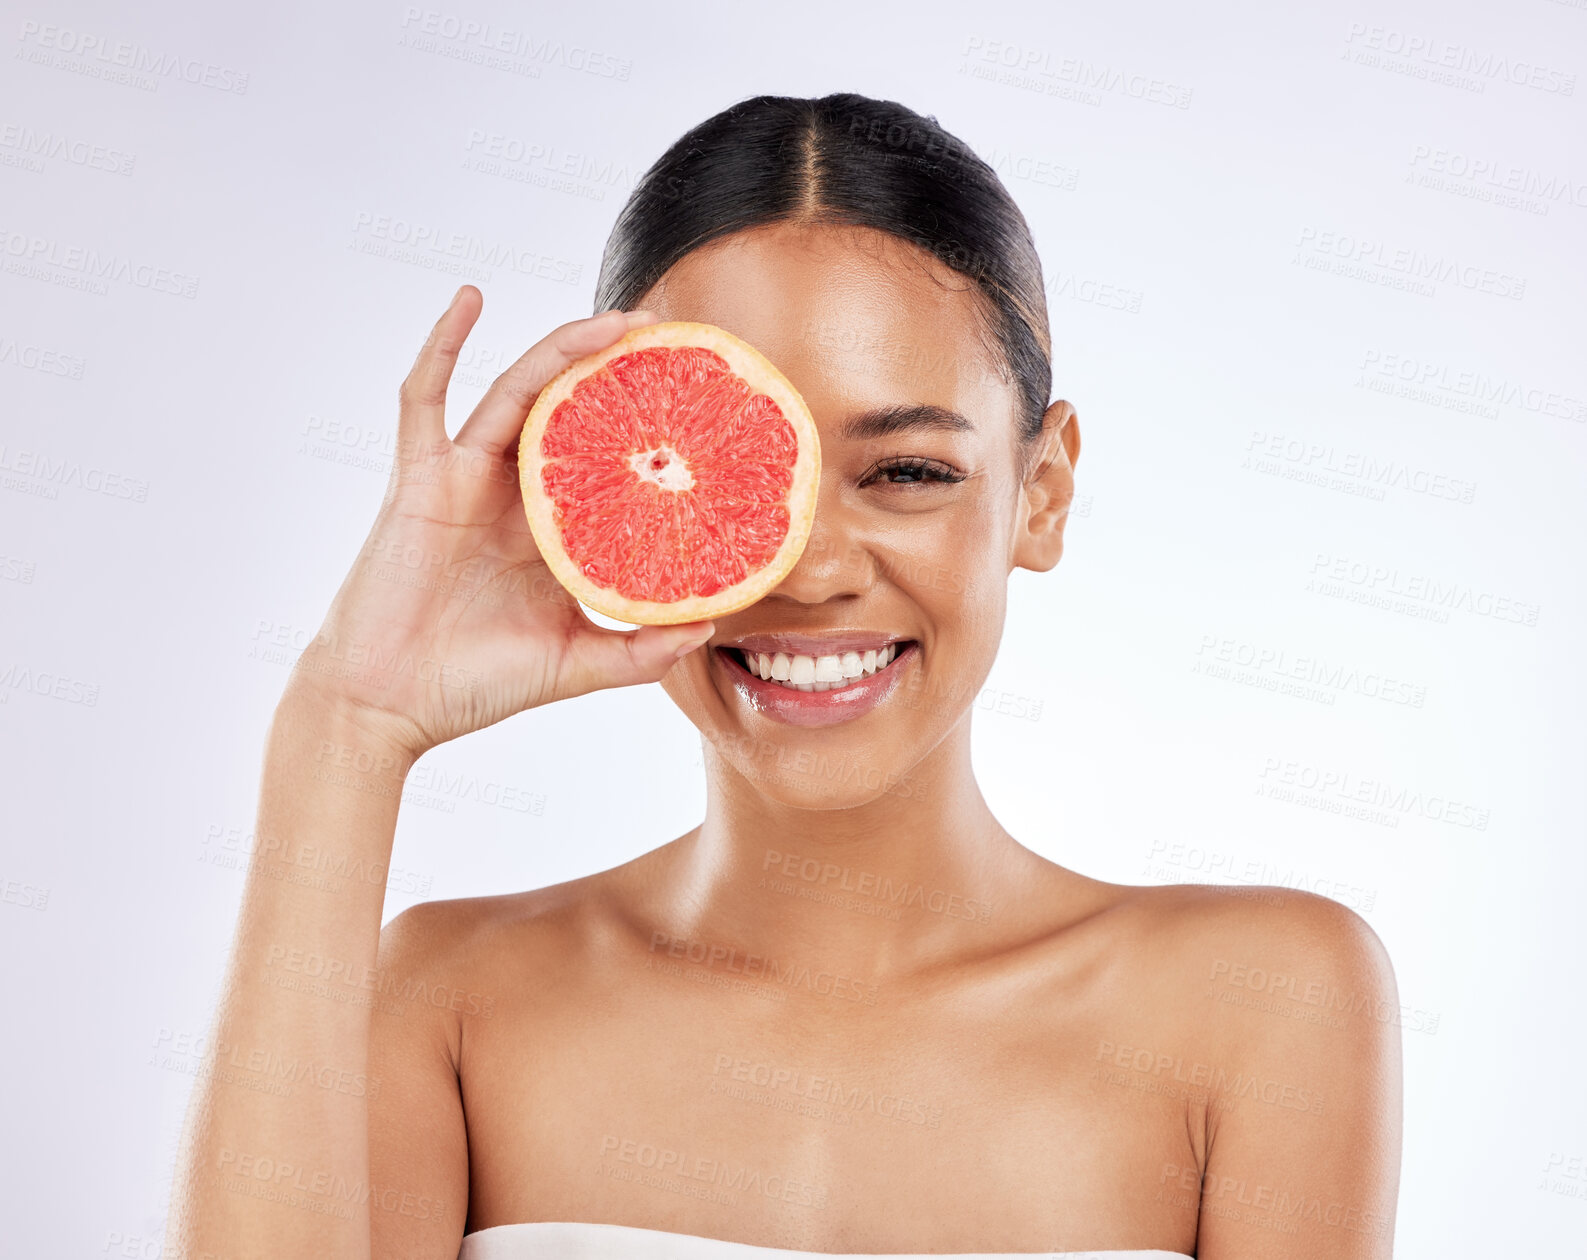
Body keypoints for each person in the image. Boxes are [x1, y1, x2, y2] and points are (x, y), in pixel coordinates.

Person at [166, 92, 1401, 1260]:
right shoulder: (446, 1004)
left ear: (1045, 491)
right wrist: (346, 721)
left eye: (908, 471)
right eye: (717, 477)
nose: (808, 571)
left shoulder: (1265, 1004)